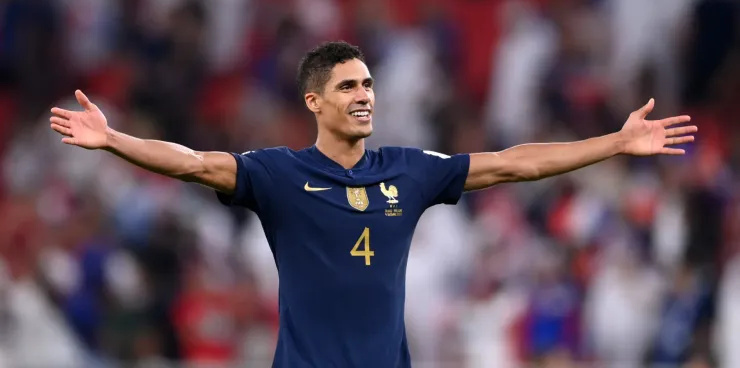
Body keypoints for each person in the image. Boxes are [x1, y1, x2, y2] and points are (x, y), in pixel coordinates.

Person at [49, 41, 697, 367]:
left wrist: (614, 142)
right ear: (314, 102)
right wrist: (113, 141)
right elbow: (193, 162)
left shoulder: (409, 172)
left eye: (368, 84)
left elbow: (514, 163)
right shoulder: (279, 174)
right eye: (348, 85)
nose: (364, 95)